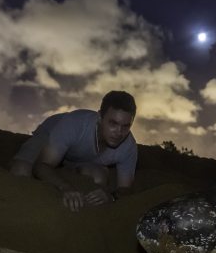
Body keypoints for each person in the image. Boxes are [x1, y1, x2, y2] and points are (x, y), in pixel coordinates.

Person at [9, 91, 137, 212]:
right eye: (113, 123)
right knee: (21, 170)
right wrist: (65, 187)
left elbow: (125, 189)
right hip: (51, 136)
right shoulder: (75, 123)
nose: (119, 132)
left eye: (126, 126)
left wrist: (111, 196)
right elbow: (41, 165)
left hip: (78, 158)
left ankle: (64, 171)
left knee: (99, 178)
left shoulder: (129, 147)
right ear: (99, 117)